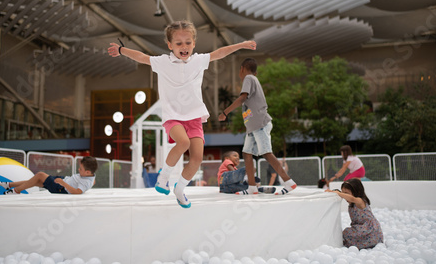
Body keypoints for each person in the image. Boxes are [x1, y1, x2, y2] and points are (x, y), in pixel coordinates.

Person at [108, 20, 256, 208]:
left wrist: (241, 45)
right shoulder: (162, 62)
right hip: (173, 115)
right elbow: (142, 57)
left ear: (194, 43)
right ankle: (164, 177)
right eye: (178, 43)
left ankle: (180, 189)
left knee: (197, 158)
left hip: (194, 117)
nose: (184, 47)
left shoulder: (199, 60)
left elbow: (220, 52)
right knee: (183, 142)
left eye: (188, 42)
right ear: (170, 45)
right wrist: (122, 50)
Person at [219, 58, 297, 195]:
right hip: (253, 127)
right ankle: (252, 187)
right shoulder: (253, 79)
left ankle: (288, 182)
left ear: (242, 69)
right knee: (247, 153)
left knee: (266, 152)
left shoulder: (248, 78)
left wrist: (225, 112)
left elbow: (242, 98)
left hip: (260, 124)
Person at [326, 178, 383, 249]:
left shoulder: (360, 201)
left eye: (346, 193)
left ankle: (365, 242)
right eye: (343, 192)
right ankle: (362, 243)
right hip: (361, 229)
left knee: (346, 233)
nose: (344, 195)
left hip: (370, 230)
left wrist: (339, 193)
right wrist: (334, 192)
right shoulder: (352, 204)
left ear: (356, 192)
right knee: (346, 233)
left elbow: (352, 198)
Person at [0, 156, 98, 195]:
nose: (78, 170)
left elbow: (77, 192)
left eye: (81, 169)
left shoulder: (86, 182)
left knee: (40, 175)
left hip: (61, 187)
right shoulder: (90, 177)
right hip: (63, 181)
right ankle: (10, 185)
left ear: (88, 172)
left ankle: (16, 191)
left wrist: (63, 183)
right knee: (36, 181)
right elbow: (93, 181)